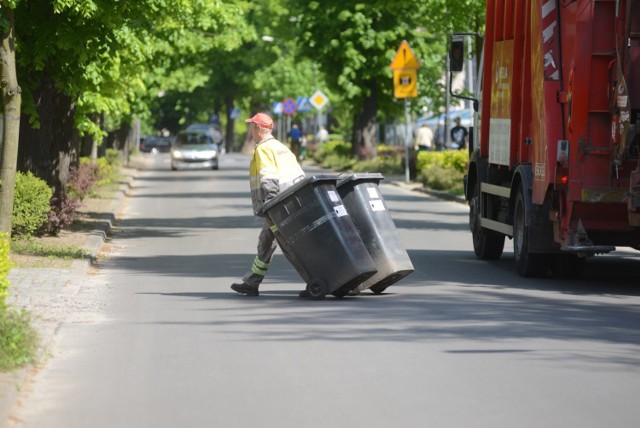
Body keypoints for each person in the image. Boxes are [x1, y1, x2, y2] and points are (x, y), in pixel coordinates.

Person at [231, 113, 305, 297]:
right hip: (291, 200)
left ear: (257, 128)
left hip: (279, 205)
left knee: (289, 246)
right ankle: (252, 282)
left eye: (251, 126)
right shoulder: (281, 147)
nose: (250, 130)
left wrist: (271, 203)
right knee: (266, 242)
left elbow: (268, 177)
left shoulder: (263, 149)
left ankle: (316, 279)